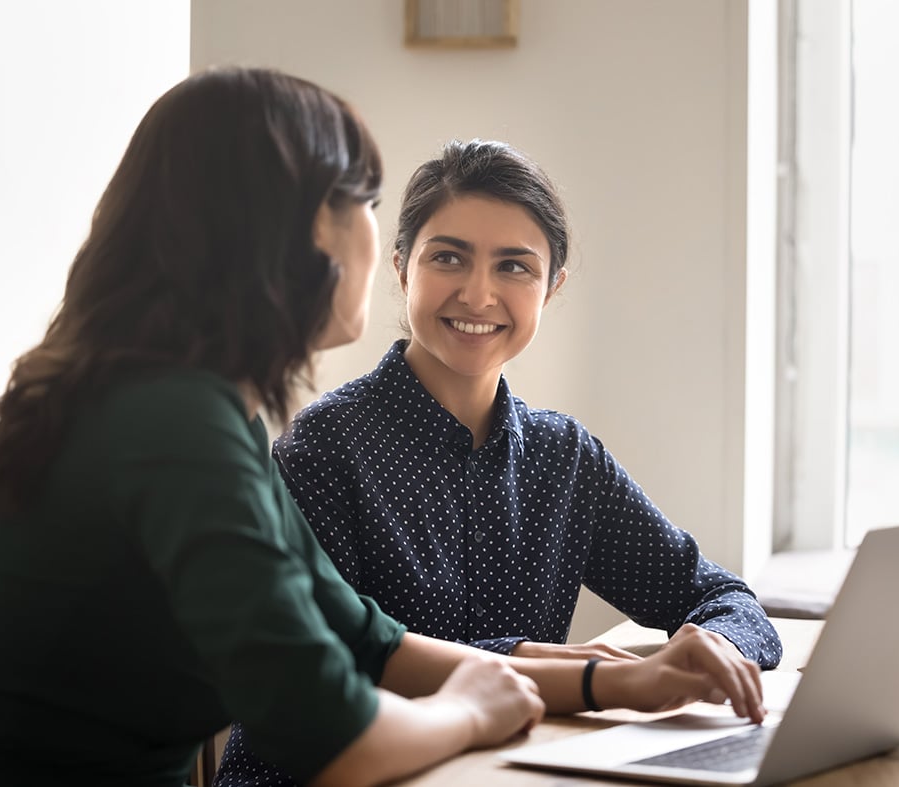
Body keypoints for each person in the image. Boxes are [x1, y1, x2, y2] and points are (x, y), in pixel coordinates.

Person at [0, 73, 766, 787]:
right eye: (361, 203)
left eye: (513, 265)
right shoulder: (182, 423)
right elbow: (340, 728)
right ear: (281, 235)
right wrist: (477, 708)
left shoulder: (196, 412)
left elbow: (369, 641)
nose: (374, 233)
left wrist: (614, 683)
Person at [214, 139, 782, 786]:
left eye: (515, 267)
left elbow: (722, 595)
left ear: (552, 286)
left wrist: (720, 649)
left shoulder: (564, 458)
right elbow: (339, 672)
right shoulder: (324, 449)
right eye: (448, 257)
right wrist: (587, 677)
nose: (478, 294)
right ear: (402, 268)